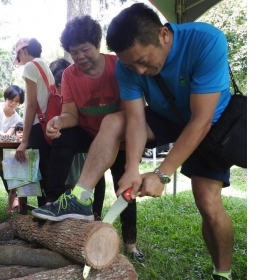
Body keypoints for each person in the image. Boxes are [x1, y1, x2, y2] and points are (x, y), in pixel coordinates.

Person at [41, 3, 235, 278]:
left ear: (164, 35)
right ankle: (80, 198)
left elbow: (200, 120)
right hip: (166, 119)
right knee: (113, 120)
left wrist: (162, 173)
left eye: (143, 61)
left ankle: (222, 272)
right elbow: (134, 120)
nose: (140, 71)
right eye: (132, 65)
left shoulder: (206, 40)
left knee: (208, 204)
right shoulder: (125, 67)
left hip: (211, 124)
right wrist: (132, 167)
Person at [31, 16, 144, 262]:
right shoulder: (70, 76)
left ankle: (131, 244)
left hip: (121, 138)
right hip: (89, 133)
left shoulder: (119, 66)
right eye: (74, 53)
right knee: (64, 137)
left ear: (97, 44)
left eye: (85, 50)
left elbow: (132, 114)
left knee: (123, 186)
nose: (80, 57)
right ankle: (54, 202)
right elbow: (71, 113)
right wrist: (59, 121)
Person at [13, 37, 54, 207]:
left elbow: (30, 105)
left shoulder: (30, 66)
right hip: (50, 125)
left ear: (22, 51)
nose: (19, 60)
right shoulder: (44, 65)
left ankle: (46, 214)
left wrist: (24, 141)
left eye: (18, 55)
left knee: (42, 175)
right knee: (49, 173)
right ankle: (51, 211)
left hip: (39, 127)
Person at [49, 58, 88, 192]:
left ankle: (93, 210)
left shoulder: (74, 90)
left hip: (82, 141)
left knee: (82, 176)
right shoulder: (55, 99)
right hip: (72, 144)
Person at [0, 85, 25, 212]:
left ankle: (14, 199)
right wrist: (4, 136)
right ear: (6, 97)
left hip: (3, 147)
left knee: (5, 172)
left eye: (17, 101)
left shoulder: (17, 118)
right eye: (11, 99)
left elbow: (10, 133)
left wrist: (6, 137)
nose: (13, 103)